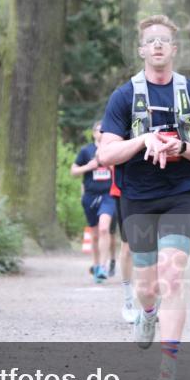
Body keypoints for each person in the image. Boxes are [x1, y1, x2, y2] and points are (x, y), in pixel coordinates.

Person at [98, 14, 190, 380]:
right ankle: (147, 314)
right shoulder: (124, 96)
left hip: (178, 194)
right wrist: (144, 140)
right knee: (147, 288)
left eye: (164, 40)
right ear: (142, 50)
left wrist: (182, 146)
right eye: (151, 41)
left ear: (174, 49)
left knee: (172, 277)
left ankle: (168, 369)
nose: (158, 45)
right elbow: (105, 155)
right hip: (138, 197)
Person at [70, 120, 116, 283]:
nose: (101, 133)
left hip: (109, 195)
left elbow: (121, 170)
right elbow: (73, 171)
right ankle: (96, 266)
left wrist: (109, 165)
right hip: (90, 196)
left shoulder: (113, 149)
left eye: (104, 130)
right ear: (93, 133)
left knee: (104, 228)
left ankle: (103, 266)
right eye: (98, 130)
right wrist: (89, 166)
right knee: (95, 235)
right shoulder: (86, 151)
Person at [108, 164, 138, 322]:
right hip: (125, 190)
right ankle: (128, 302)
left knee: (159, 247)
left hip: (159, 189)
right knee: (128, 246)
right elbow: (105, 155)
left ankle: (154, 300)